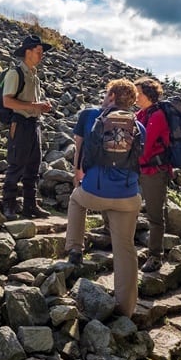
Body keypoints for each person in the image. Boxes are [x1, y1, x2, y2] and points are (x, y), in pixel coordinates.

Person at [64, 79, 144, 317]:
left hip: (94, 192)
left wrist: (77, 174)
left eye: (106, 93)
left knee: (76, 200)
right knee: (125, 249)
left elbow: (79, 149)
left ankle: (75, 248)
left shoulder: (89, 115)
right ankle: (126, 310)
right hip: (128, 197)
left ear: (111, 96)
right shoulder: (139, 126)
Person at [1, 34, 54, 220]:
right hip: (21, 124)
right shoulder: (15, 73)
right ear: (27, 52)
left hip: (34, 124)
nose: (42, 56)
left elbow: (30, 102)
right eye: (39, 52)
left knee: (33, 166)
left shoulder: (34, 76)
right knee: (16, 165)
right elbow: (7, 101)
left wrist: (41, 107)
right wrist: (35, 106)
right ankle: (8, 205)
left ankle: (30, 206)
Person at [135, 77, 171, 272]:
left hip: (154, 171)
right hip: (141, 169)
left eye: (138, 93)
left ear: (149, 94)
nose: (135, 97)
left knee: (155, 215)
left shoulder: (157, 116)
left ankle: (155, 257)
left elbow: (145, 148)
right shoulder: (141, 114)